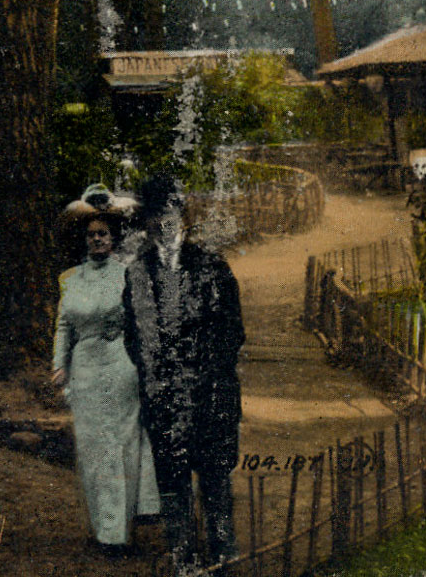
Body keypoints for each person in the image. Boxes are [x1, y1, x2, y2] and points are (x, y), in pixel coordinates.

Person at [122, 174, 245, 572]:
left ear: (184, 215)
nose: (165, 221)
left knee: (214, 485)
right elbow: (134, 339)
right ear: (148, 222)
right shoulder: (137, 273)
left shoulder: (211, 266)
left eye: (172, 211)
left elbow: (233, 331)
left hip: (210, 396)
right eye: (156, 214)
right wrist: (161, 379)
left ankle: (224, 558)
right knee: (173, 488)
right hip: (165, 401)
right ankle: (183, 561)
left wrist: (203, 373)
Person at [52, 200, 159, 555]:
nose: (97, 240)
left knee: (123, 444)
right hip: (84, 369)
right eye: (91, 235)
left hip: (120, 364)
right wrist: (59, 364)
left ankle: (120, 528)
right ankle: (102, 525)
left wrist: (146, 364)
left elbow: (144, 323)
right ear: (84, 240)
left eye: (103, 234)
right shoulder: (69, 279)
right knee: (93, 447)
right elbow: (63, 326)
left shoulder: (129, 274)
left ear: (113, 239)